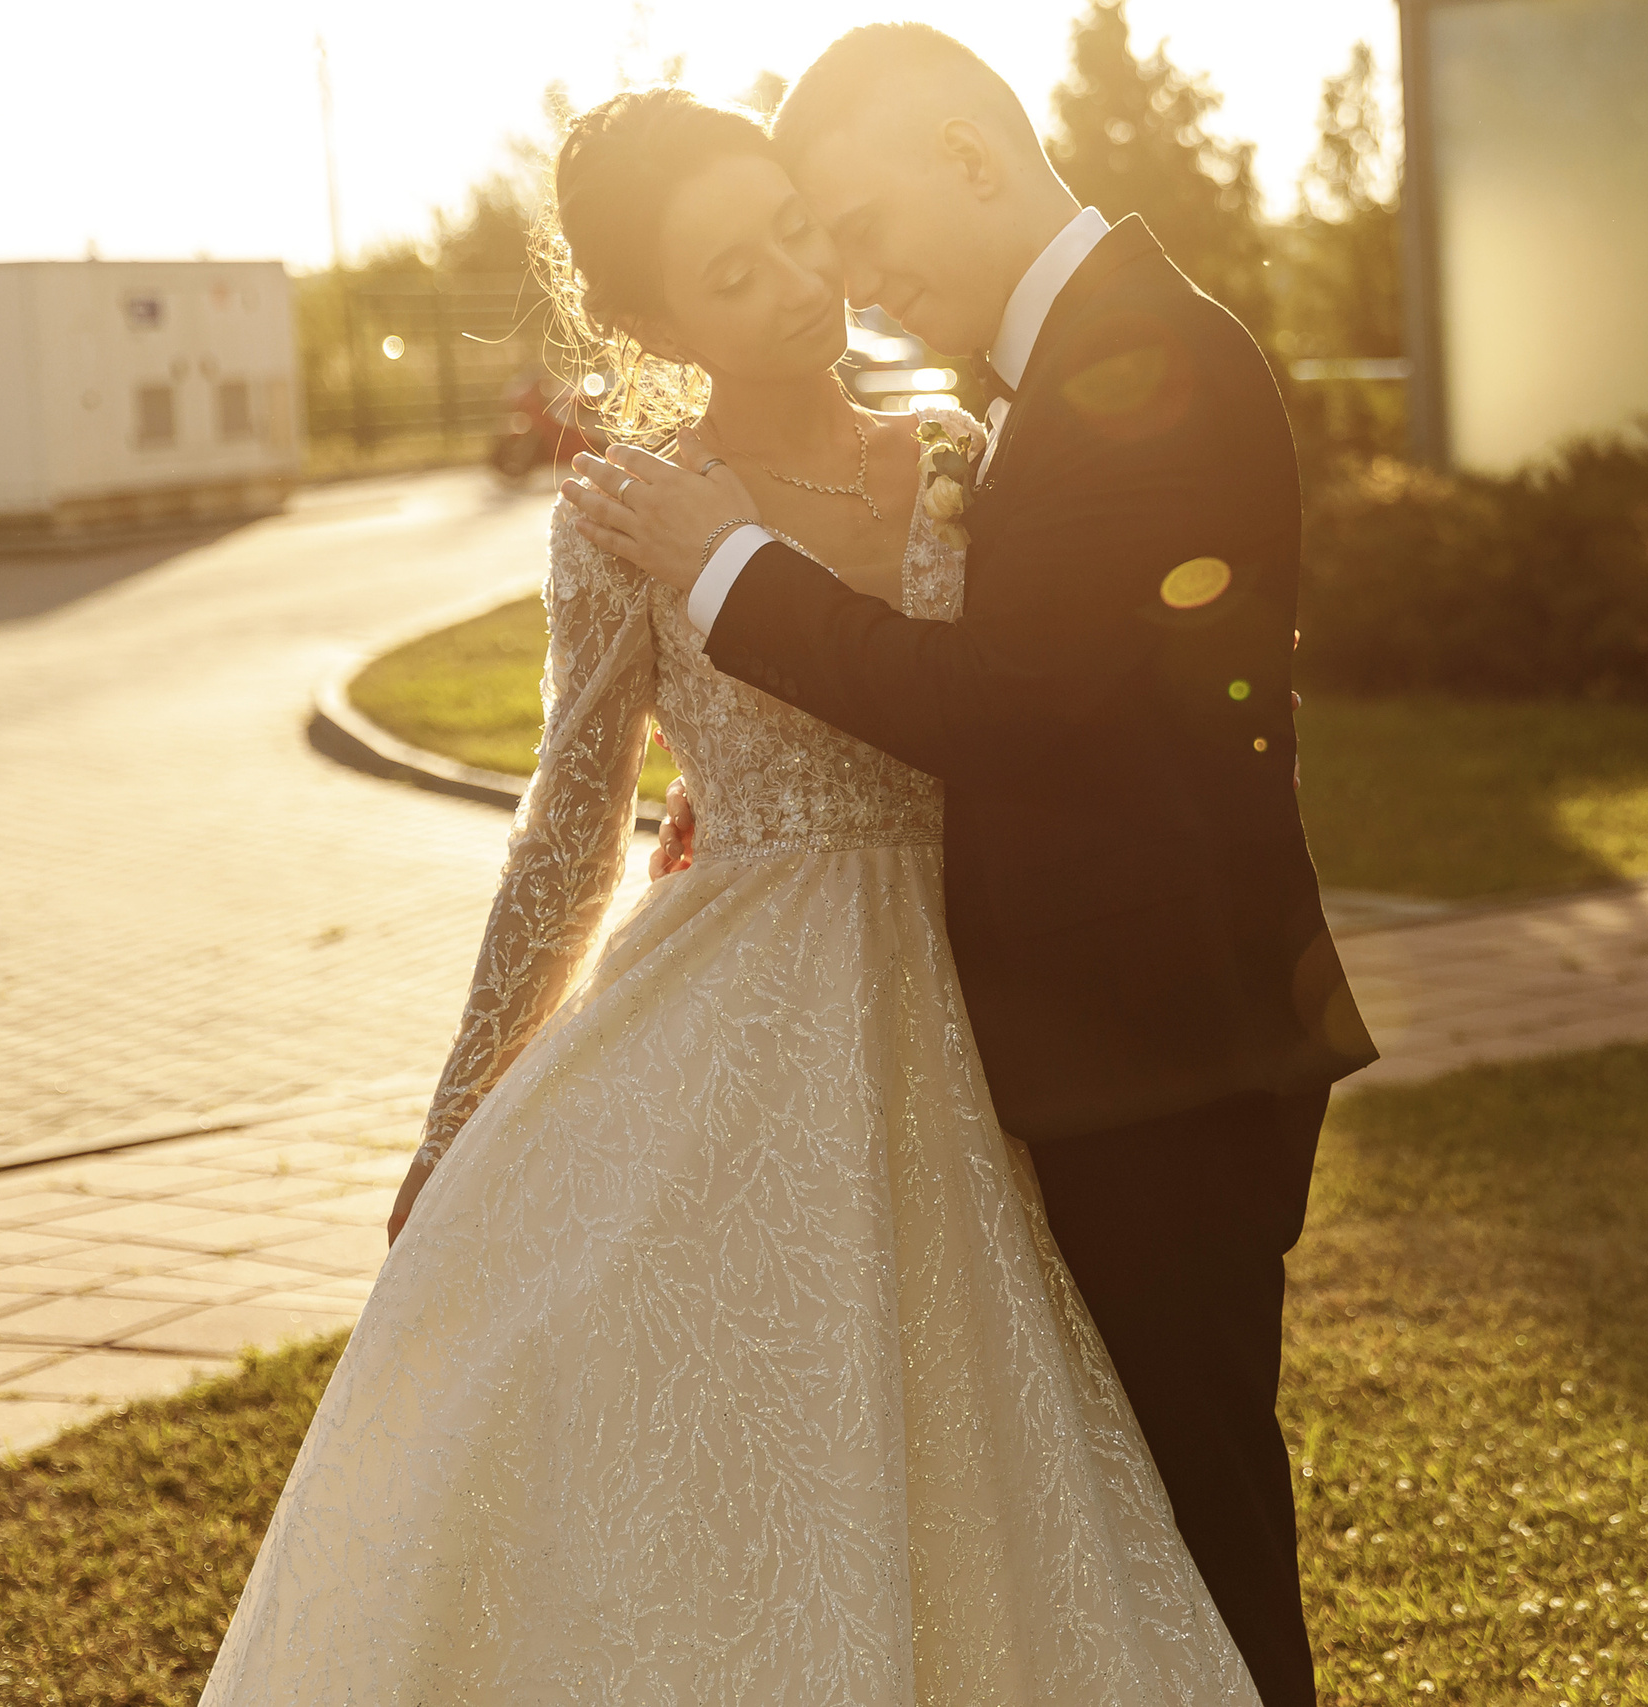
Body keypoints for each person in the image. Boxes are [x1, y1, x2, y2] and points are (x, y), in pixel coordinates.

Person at [198, 88, 1263, 1705]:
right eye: (733, 269)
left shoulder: (966, 453)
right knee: (729, 1437)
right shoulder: (624, 518)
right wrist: (456, 1116)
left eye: (798, 231)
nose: (797, 282)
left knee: (995, 1432)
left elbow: (1017, 706)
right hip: (738, 1011)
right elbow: (564, 832)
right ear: (644, 318)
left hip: (990, 1000)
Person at [564, 26, 1377, 1706]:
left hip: (1166, 1062)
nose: (843, 277)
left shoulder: (1138, 359)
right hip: (1103, 1052)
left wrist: (732, 573)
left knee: (1200, 1548)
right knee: (1111, 1550)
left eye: (856, 227)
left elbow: (1008, 708)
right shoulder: (1064, 367)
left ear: (970, 159)